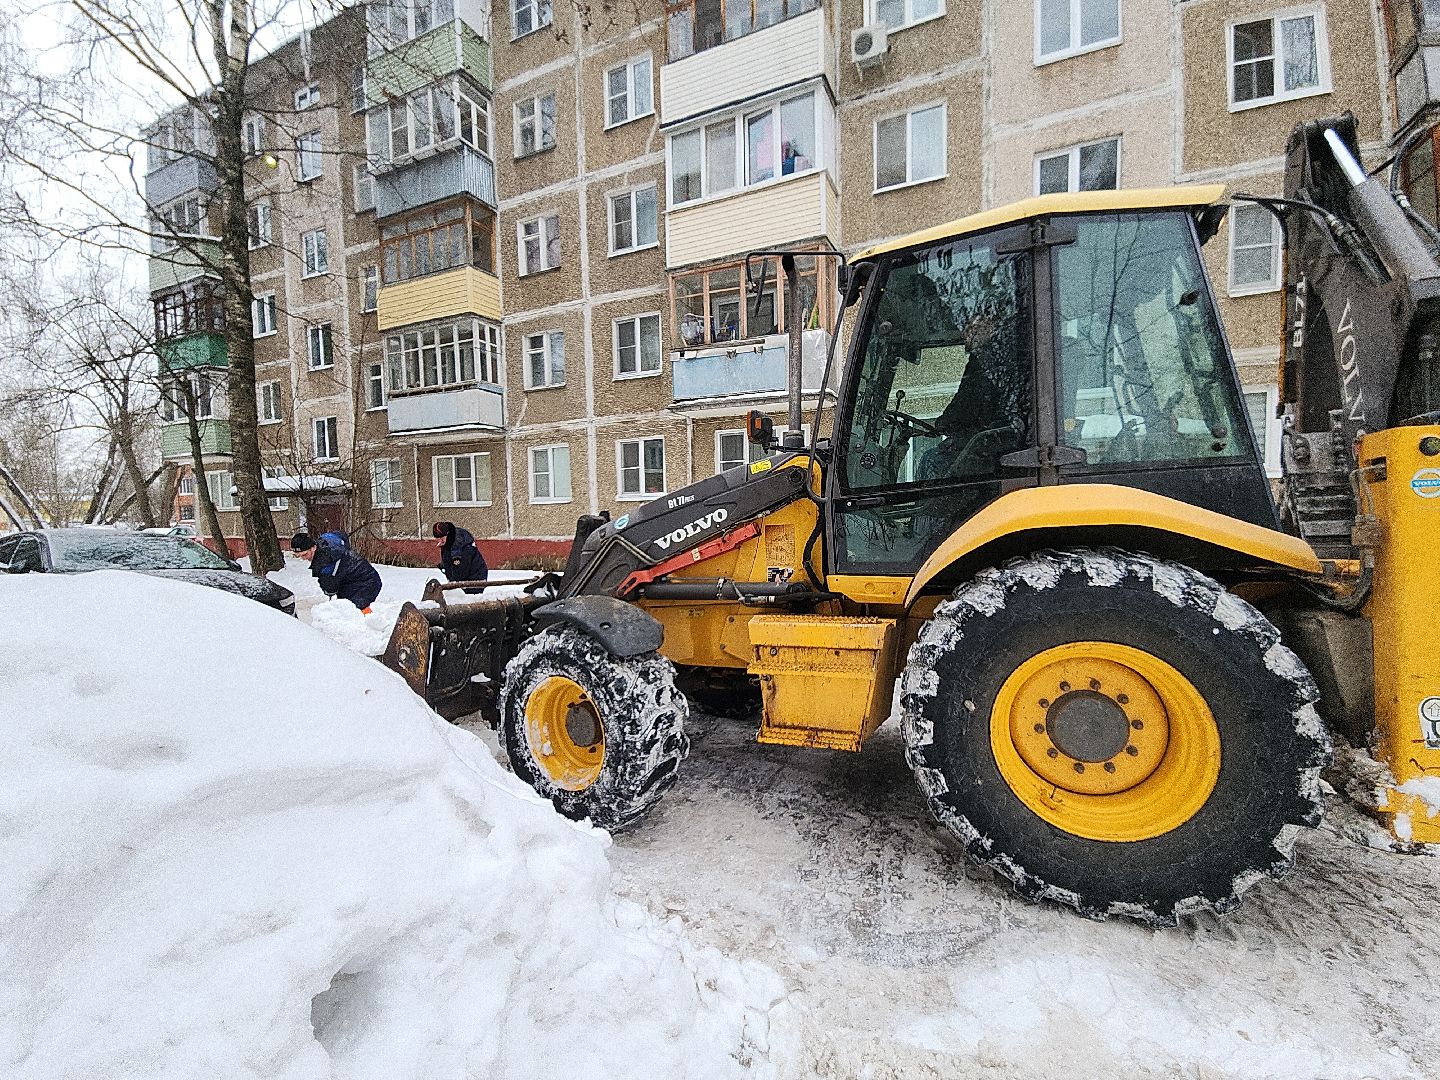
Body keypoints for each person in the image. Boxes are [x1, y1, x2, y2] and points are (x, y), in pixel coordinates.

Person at [290, 530, 382, 613]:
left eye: (305, 554)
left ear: (313, 547)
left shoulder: (326, 563)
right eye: (299, 556)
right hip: (353, 581)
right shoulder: (326, 541)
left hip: (366, 583)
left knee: (353, 612)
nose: (303, 558)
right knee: (346, 610)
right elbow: (340, 535)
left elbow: (330, 589)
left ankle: (372, 624)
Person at [432, 521, 487, 593]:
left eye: (442, 537)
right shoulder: (448, 542)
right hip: (462, 581)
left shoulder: (460, 546)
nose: (440, 540)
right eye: (437, 538)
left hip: (473, 581)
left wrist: (452, 578)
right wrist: (445, 565)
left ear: (448, 533)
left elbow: (460, 571)